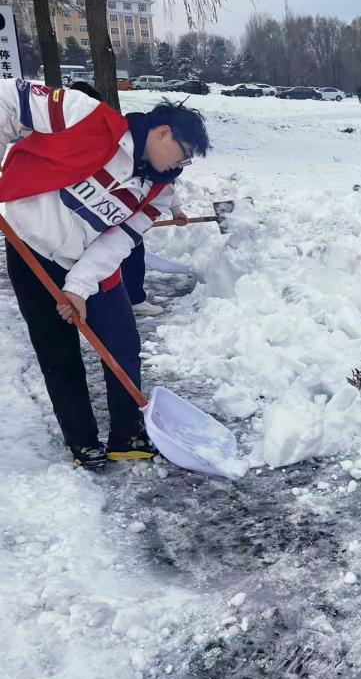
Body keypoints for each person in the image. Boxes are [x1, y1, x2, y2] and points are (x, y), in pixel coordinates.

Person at [0, 78, 210, 471]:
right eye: (181, 156)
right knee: (57, 348)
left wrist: (79, 286)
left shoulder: (159, 189)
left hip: (90, 263)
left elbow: (119, 240)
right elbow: (10, 98)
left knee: (122, 342)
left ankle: (126, 435)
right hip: (30, 245)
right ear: (163, 132)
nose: (179, 168)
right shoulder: (88, 116)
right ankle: (81, 441)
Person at [68, 82, 186, 317]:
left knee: (130, 251)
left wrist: (177, 209)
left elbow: (161, 183)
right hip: (76, 228)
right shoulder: (68, 138)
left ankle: (133, 297)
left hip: (123, 217)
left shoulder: (121, 140)